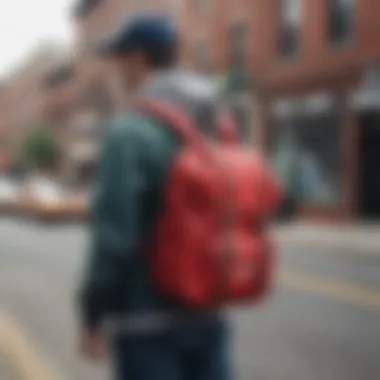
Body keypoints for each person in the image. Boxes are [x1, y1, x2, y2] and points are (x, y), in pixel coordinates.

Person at [77, 12, 231, 380]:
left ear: (138, 60)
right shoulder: (214, 123)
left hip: (146, 325)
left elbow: (114, 240)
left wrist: (92, 313)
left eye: (119, 62)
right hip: (208, 313)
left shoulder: (129, 133)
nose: (118, 73)